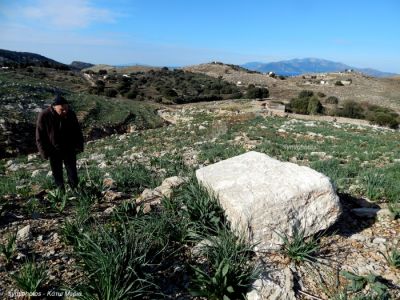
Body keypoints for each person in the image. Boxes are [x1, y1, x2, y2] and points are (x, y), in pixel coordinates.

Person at [36, 95, 84, 190]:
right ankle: (61, 194)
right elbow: (40, 136)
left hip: (69, 148)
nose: (65, 111)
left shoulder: (71, 114)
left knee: (72, 172)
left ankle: (75, 191)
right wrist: (44, 152)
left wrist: (79, 145)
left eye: (66, 108)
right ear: (54, 107)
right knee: (57, 174)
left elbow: (77, 131)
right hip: (54, 150)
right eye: (62, 109)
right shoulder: (44, 115)